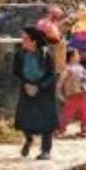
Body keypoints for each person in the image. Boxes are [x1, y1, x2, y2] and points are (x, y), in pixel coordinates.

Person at [13, 26, 58, 159]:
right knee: (25, 119)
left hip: (44, 91)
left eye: (26, 39)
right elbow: (16, 72)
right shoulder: (20, 55)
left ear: (34, 42)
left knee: (46, 122)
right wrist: (26, 84)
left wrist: (39, 86)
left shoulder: (45, 55)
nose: (23, 41)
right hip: (27, 88)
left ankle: (46, 150)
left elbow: (52, 75)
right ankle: (28, 139)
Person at [57, 48, 86, 137]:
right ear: (71, 57)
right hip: (72, 94)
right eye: (77, 55)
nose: (79, 56)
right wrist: (59, 93)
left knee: (85, 112)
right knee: (67, 113)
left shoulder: (80, 67)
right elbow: (61, 81)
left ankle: (85, 129)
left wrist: (85, 78)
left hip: (83, 93)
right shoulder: (67, 68)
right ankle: (61, 129)